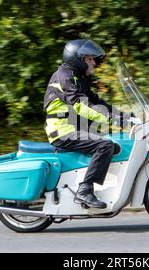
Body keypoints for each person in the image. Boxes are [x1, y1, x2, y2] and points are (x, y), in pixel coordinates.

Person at [43, 39, 127, 209]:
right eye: (89, 59)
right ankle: (85, 190)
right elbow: (81, 106)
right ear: (77, 59)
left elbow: (97, 102)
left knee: (117, 146)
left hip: (74, 128)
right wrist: (113, 120)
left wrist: (126, 116)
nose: (93, 62)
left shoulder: (77, 78)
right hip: (63, 131)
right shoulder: (65, 77)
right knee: (104, 146)